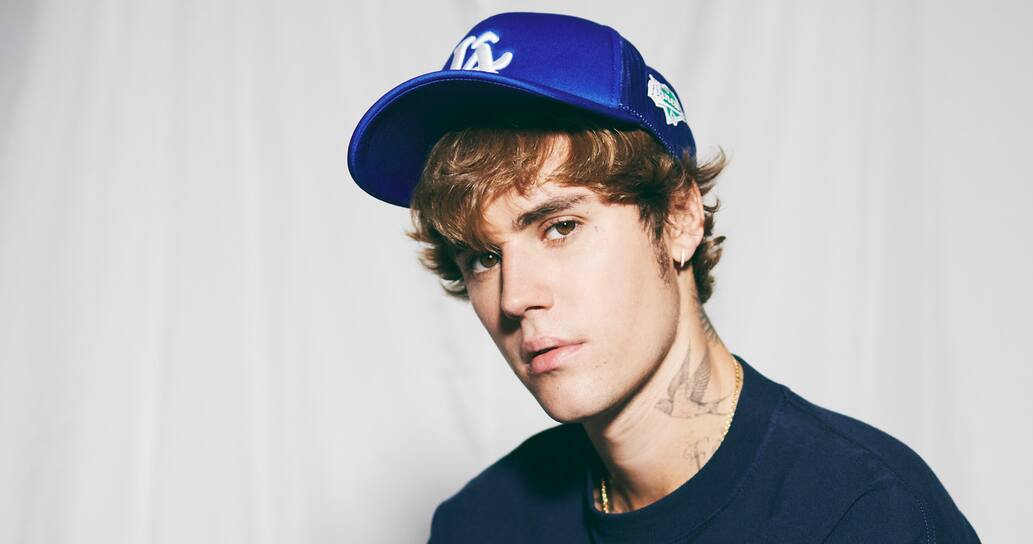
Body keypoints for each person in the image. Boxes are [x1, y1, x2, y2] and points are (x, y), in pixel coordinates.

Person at [347, 12, 980, 543]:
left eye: (560, 227)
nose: (515, 297)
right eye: (483, 257)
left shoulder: (864, 515)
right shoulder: (480, 525)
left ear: (679, 218)